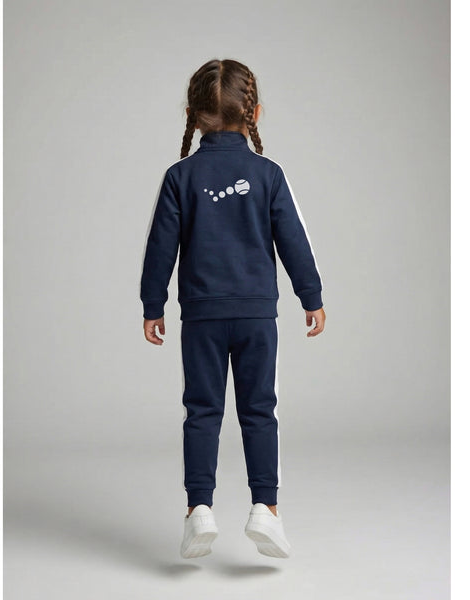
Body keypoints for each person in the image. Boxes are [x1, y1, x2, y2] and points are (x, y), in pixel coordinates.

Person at [140, 58, 325, 559]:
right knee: (259, 410)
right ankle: (266, 509)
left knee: (201, 411)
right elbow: (294, 241)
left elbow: (160, 248)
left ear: (193, 115)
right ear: (255, 112)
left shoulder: (180, 176)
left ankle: (198, 510)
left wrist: (153, 305)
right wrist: (311, 297)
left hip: (201, 317)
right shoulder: (268, 174)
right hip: (256, 317)